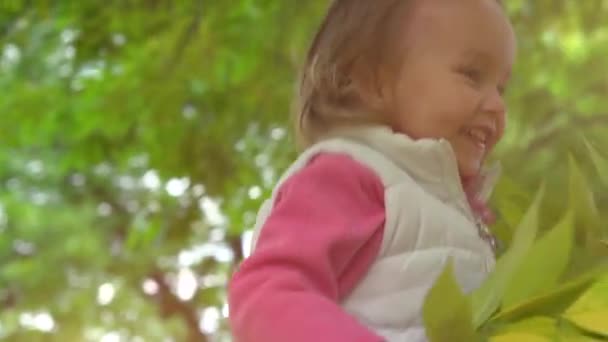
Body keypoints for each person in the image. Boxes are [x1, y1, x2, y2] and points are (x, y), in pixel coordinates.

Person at [228, 0, 516, 340]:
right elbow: (269, 294)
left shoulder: (466, 218)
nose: (498, 106)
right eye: (472, 74)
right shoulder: (347, 177)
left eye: (501, 88)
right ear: (373, 79)